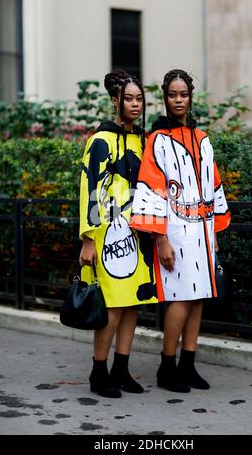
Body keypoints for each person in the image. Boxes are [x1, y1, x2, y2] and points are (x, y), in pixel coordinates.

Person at [130, 69, 230, 393]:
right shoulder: (157, 140)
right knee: (180, 299)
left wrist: (213, 230)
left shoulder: (203, 139)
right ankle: (166, 366)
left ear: (190, 97)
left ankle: (188, 365)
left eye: (183, 94)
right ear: (165, 97)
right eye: (172, 95)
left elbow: (214, 186)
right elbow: (151, 189)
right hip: (174, 230)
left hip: (202, 229)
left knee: (198, 298)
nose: (178, 100)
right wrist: (160, 239)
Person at [79, 68, 158, 398]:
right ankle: (99, 373)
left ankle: (121, 370)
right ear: (116, 101)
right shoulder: (101, 140)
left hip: (138, 234)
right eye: (129, 99)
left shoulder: (141, 140)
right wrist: (87, 238)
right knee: (111, 308)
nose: (136, 104)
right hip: (108, 235)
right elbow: (90, 187)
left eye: (140, 99)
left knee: (131, 305)